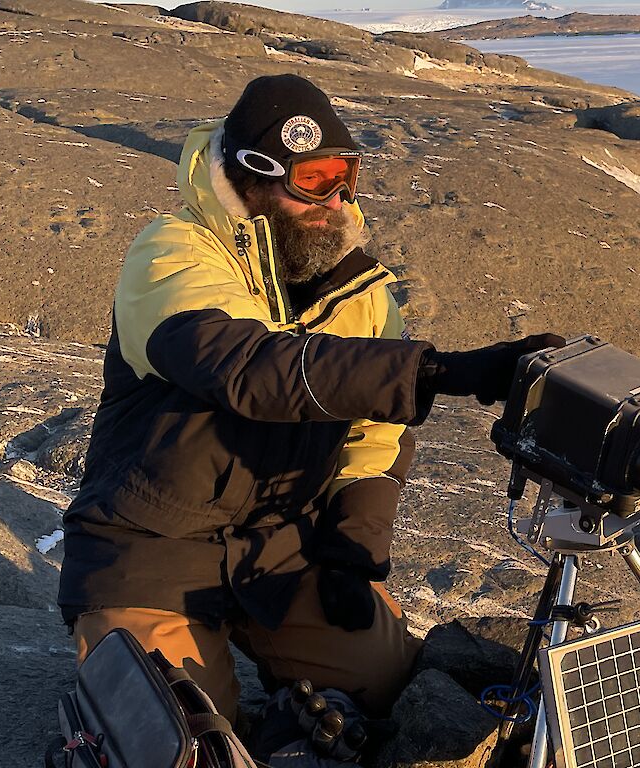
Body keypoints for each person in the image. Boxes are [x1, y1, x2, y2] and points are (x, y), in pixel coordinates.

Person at [56, 73, 563, 747]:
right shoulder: (172, 252)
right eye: (314, 178)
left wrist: (355, 546)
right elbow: (248, 370)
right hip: (150, 548)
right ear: (252, 179)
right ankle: (255, 723)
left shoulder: (358, 290)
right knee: (184, 739)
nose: (338, 200)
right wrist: (443, 372)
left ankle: (301, 705)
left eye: (346, 175)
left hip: (277, 551)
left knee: (386, 685)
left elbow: (374, 436)